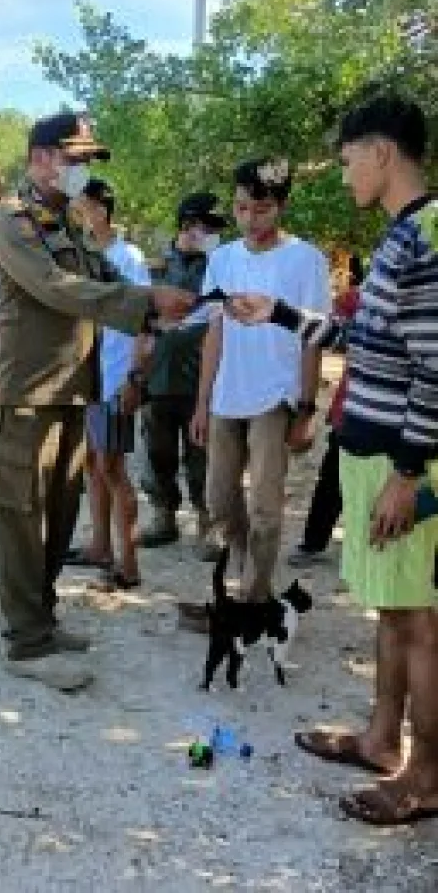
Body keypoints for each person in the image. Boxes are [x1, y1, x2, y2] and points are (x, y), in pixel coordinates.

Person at [227, 94, 438, 827]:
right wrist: (279, 314)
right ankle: (381, 738)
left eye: (348, 161)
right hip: (374, 455)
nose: (345, 176)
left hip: (405, 465)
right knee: (394, 610)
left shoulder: (427, 237)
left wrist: (408, 474)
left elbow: (436, 366)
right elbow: (368, 342)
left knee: (420, 622)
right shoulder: (400, 237)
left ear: (381, 152)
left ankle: (427, 776)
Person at [0, 111, 195, 692]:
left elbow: (104, 276)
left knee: (58, 515)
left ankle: (42, 618)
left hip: (70, 391)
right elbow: (60, 290)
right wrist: (146, 304)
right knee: (21, 519)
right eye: (75, 158)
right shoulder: (9, 221)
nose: (83, 170)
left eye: (86, 160)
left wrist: (160, 301)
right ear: (41, 157)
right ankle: (26, 642)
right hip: (24, 397)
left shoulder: (67, 221)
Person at [189, 158, 331, 600]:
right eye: (241, 208)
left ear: (282, 205)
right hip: (226, 394)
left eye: (262, 209)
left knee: (266, 505)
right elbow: (214, 332)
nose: (250, 219)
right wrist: (202, 402)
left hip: (276, 395)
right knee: (218, 499)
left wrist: (306, 410)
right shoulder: (222, 259)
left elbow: (313, 339)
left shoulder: (307, 260)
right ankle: (246, 568)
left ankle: (253, 596)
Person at [62, 180, 150, 588]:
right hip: (89, 376)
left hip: (115, 376)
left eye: (81, 206)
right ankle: (100, 546)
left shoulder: (127, 258)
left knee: (112, 467)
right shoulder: (83, 255)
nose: (76, 213)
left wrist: (134, 376)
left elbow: (145, 321)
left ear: (100, 209)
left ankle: (129, 563)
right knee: (93, 464)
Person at [139, 192, 227, 550]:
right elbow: (141, 319)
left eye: (215, 228)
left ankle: (208, 522)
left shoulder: (222, 266)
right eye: (206, 226)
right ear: (187, 226)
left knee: (202, 456)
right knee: (157, 453)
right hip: (158, 377)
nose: (211, 234)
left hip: (203, 380)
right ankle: (163, 515)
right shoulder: (156, 267)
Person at [288, 254, 365, 567]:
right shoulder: (362, 297)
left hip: (402, 416)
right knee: (333, 478)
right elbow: (332, 321)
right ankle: (313, 543)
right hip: (352, 407)